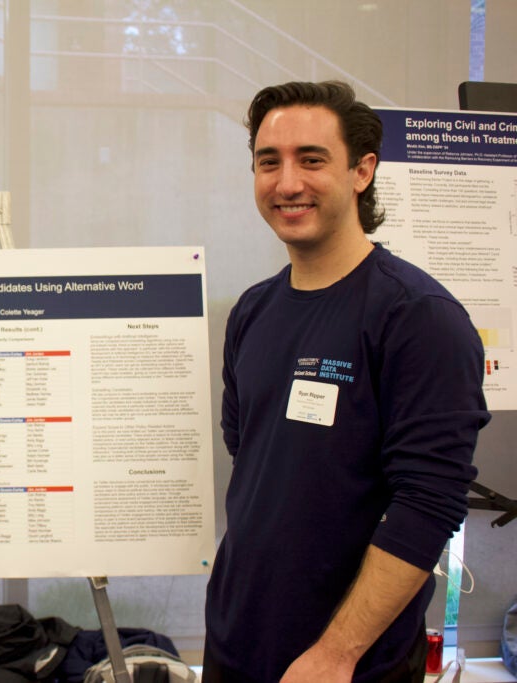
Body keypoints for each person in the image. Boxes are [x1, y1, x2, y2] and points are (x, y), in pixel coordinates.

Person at [204, 81, 490, 682]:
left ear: (362, 171)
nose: (287, 183)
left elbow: (428, 505)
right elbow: (251, 454)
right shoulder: (253, 311)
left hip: (347, 662)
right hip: (237, 639)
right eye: (268, 161)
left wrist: (337, 654)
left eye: (312, 160)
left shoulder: (417, 317)